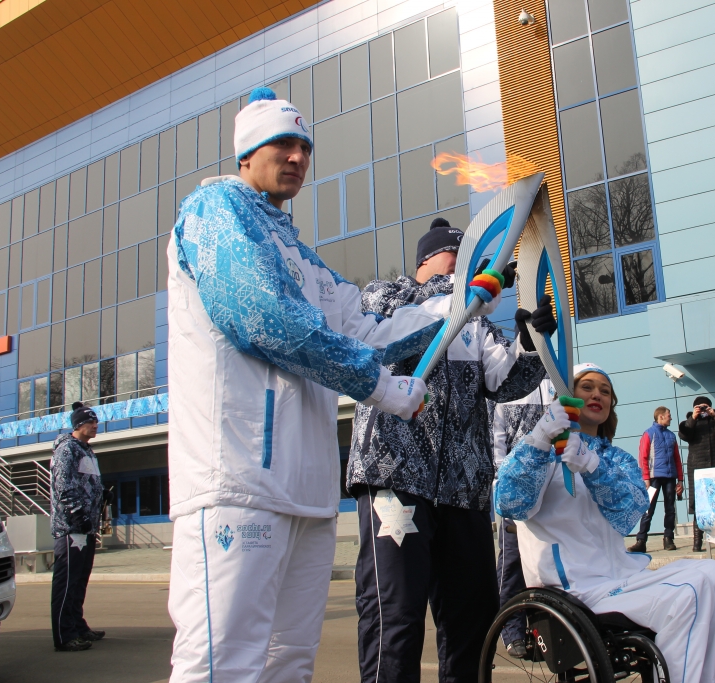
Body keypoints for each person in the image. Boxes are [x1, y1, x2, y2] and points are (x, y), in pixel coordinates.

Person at [166, 87, 459, 683]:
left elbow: (368, 327)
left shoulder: (299, 253)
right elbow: (261, 316)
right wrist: (376, 386)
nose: (297, 156)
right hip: (238, 478)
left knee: (288, 663)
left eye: (305, 146)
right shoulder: (214, 209)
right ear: (247, 151)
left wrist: (454, 310)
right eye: (282, 143)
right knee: (222, 663)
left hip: (306, 489)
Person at [347, 219, 554, 683]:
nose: (467, 272)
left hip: (464, 491)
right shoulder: (387, 297)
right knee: (393, 619)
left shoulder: (476, 327)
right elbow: (374, 337)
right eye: (456, 260)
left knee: (470, 624)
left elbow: (508, 384)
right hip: (395, 481)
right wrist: (466, 292)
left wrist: (531, 342)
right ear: (427, 260)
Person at [495, 363, 715, 683]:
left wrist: (592, 465)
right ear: (564, 397)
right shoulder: (540, 453)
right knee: (688, 596)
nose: (597, 393)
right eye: (587, 387)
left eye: (605, 390)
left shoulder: (614, 458)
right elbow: (509, 502)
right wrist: (542, 437)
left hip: (622, 577)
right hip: (575, 591)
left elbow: (628, 513)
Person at [491, 375, 555, 659]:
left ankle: (545, 630)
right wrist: (510, 485)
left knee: (547, 563)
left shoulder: (558, 379)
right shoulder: (506, 386)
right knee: (513, 563)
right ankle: (512, 630)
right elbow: (496, 446)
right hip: (516, 490)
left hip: (553, 491)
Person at [50, 402, 107, 652]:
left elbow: (86, 483)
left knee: (80, 581)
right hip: (71, 529)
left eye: (96, 421)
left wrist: (103, 495)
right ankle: (65, 635)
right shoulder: (67, 450)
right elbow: (64, 486)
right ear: (78, 425)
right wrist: (77, 516)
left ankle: (78, 625)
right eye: (91, 421)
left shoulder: (87, 451)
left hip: (87, 528)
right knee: (67, 583)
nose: (96, 425)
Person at [678, 396, 715, 553]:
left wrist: (714, 415)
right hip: (697, 468)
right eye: (700, 407)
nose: (703, 410)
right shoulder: (688, 423)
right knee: (699, 506)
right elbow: (684, 435)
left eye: (706, 407)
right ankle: (697, 543)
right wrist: (693, 418)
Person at [629, 406, 684, 553]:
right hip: (653, 479)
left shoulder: (672, 436)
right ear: (660, 417)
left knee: (670, 509)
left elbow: (677, 459)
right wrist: (645, 478)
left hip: (670, 478)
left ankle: (668, 539)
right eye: (668, 415)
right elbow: (643, 457)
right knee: (648, 509)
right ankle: (641, 541)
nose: (670, 418)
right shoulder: (649, 434)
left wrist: (680, 480)